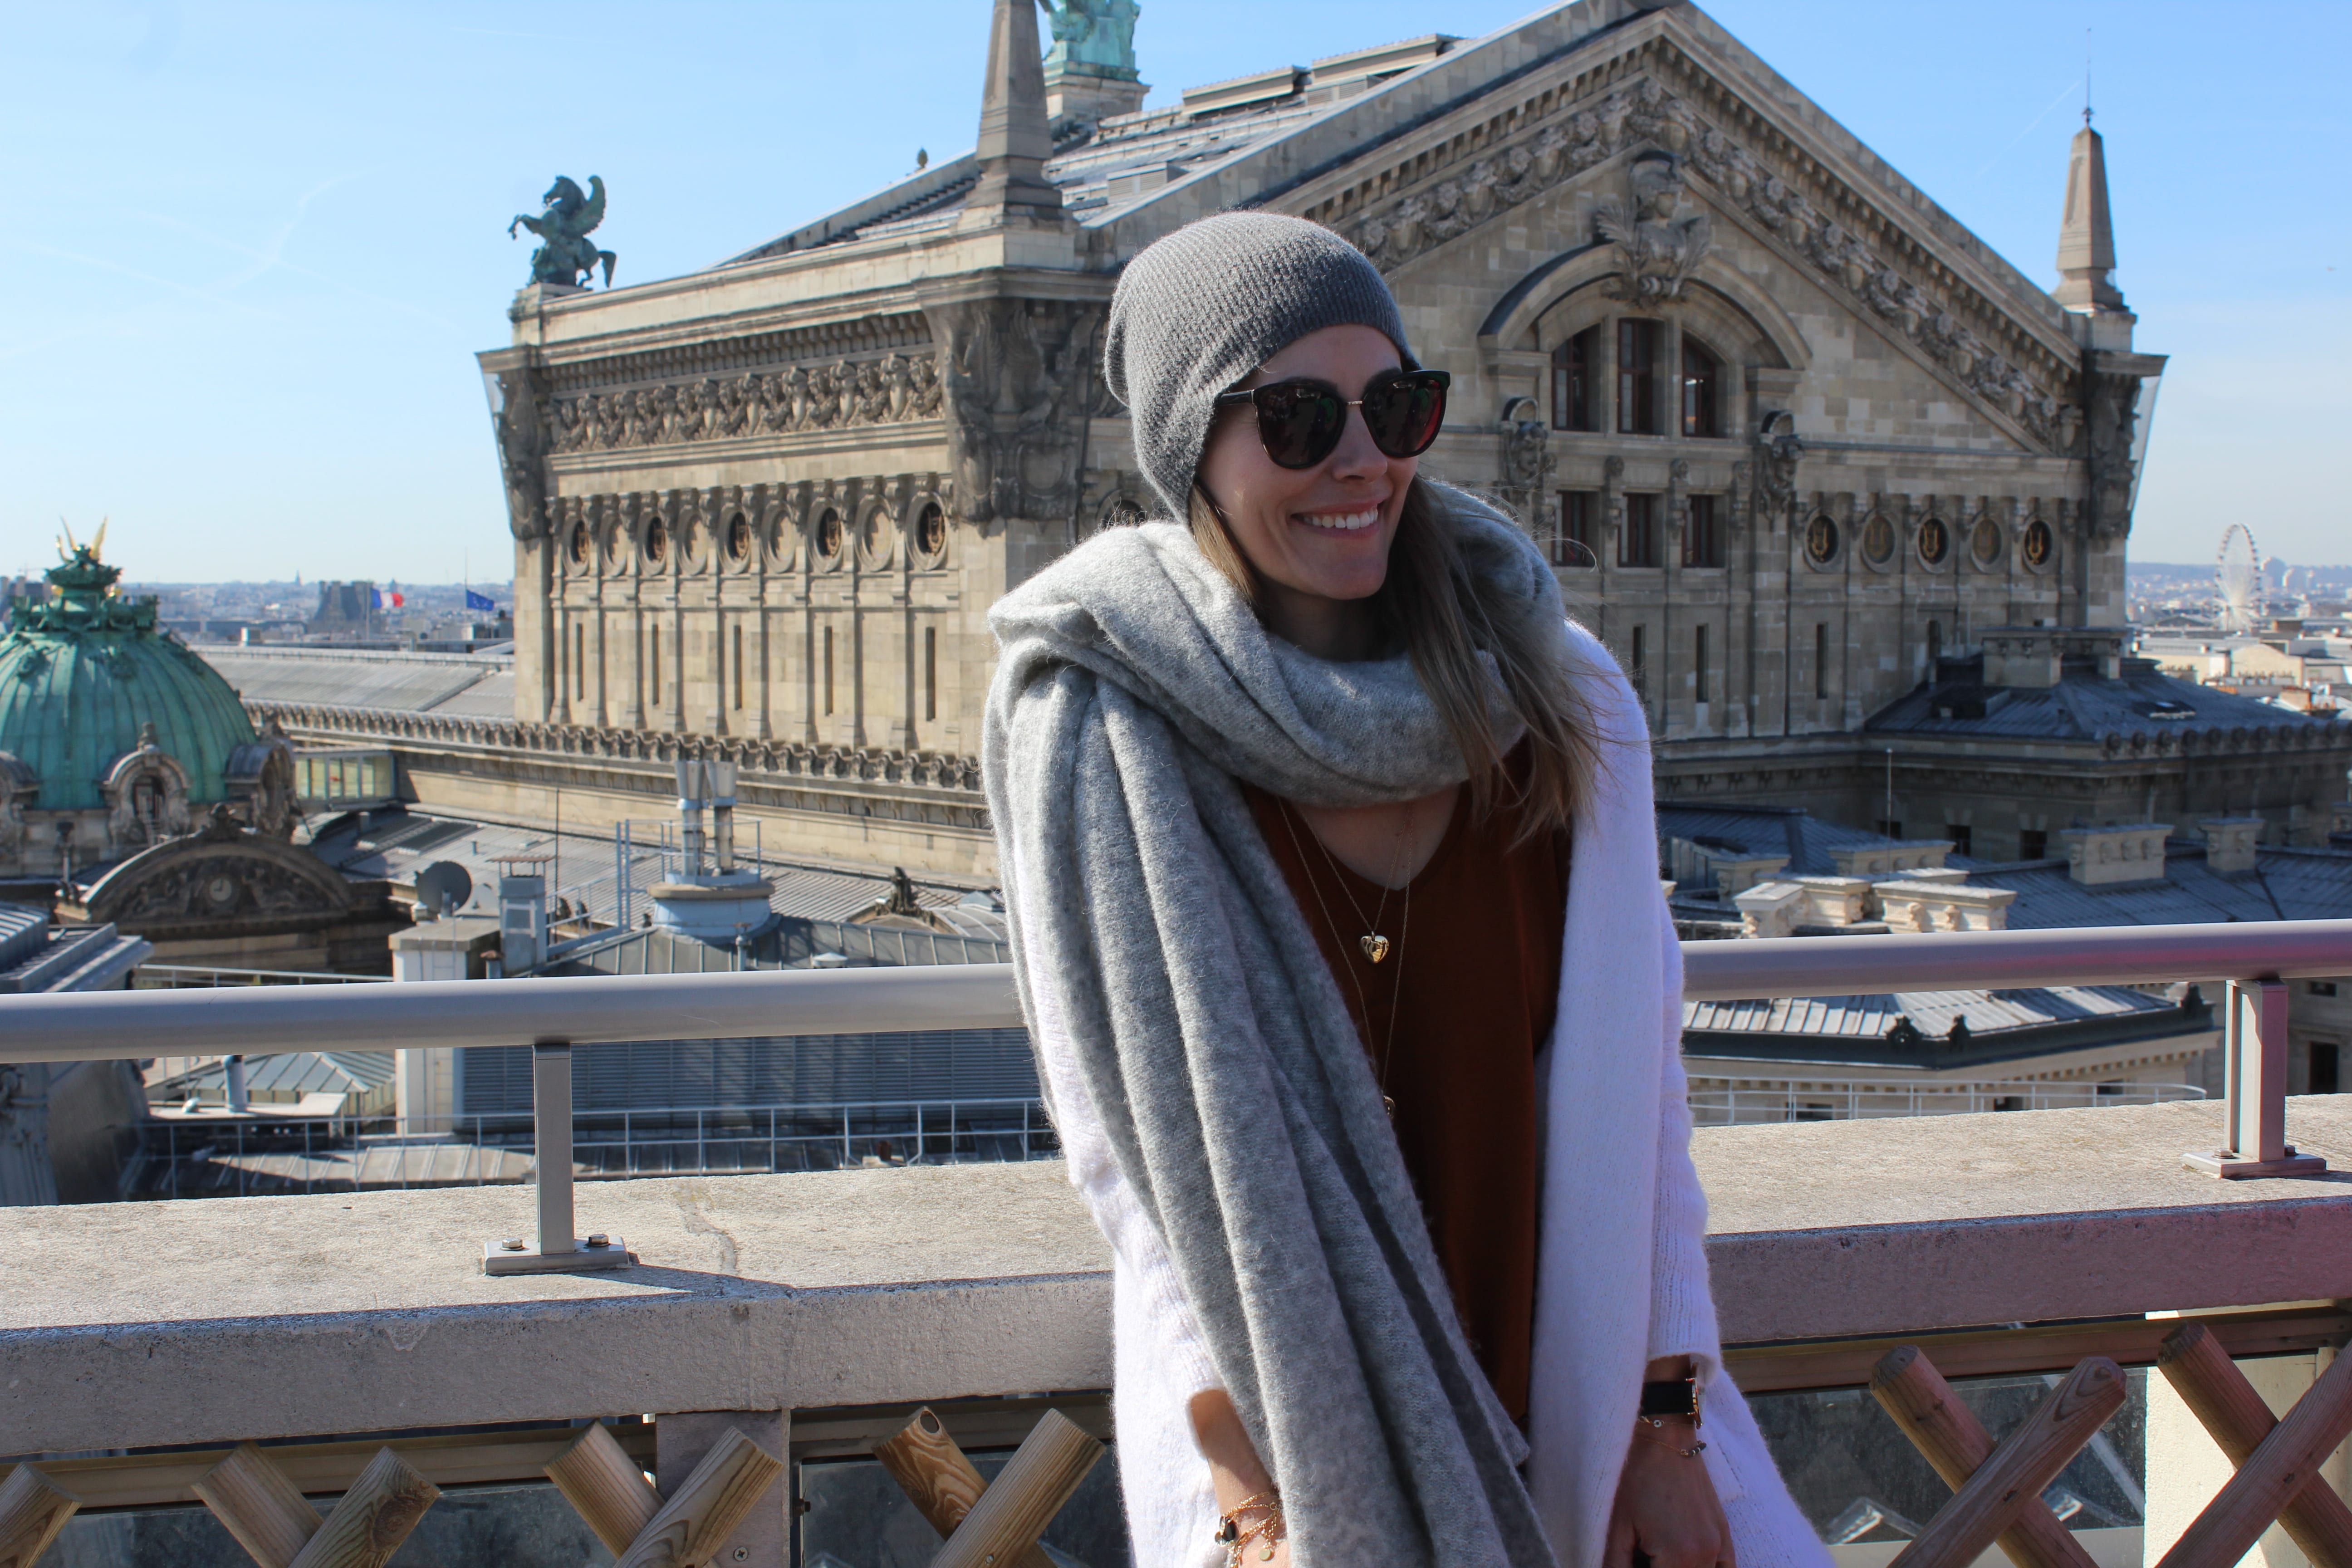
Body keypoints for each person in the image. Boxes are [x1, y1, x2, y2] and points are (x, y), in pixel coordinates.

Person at [985, 212, 1825, 1568]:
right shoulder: (1103, 733)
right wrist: (1249, 1503)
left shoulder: (1564, 702)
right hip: (1281, 1455)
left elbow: (1643, 1100)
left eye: (1396, 406)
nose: (1363, 459)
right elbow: (1130, 1158)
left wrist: (1668, 1424)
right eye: (1299, 418)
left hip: (1574, 1420)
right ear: (1194, 451)